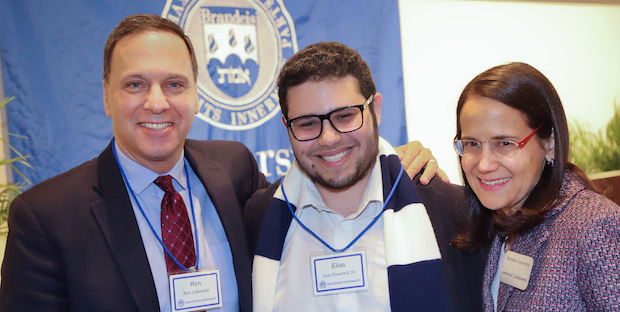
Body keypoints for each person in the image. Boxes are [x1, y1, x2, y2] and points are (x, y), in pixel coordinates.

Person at [0, 15, 441, 312]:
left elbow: (324, 182)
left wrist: (393, 159)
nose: (157, 103)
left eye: (174, 84)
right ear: (105, 95)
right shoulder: (45, 217)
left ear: (195, 96)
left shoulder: (234, 170)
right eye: (135, 84)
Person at [247, 42, 486, 312]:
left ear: (377, 110)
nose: (328, 138)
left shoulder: (452, 211)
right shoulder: (259, 217)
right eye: (307, 123)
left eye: (345, 116)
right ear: (286, 127)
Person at [451, 62, 620, 311]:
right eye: (472, 144)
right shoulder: (500, 222)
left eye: (505, 143)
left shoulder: (594, 226)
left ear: (550, 143)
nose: (484, 165)